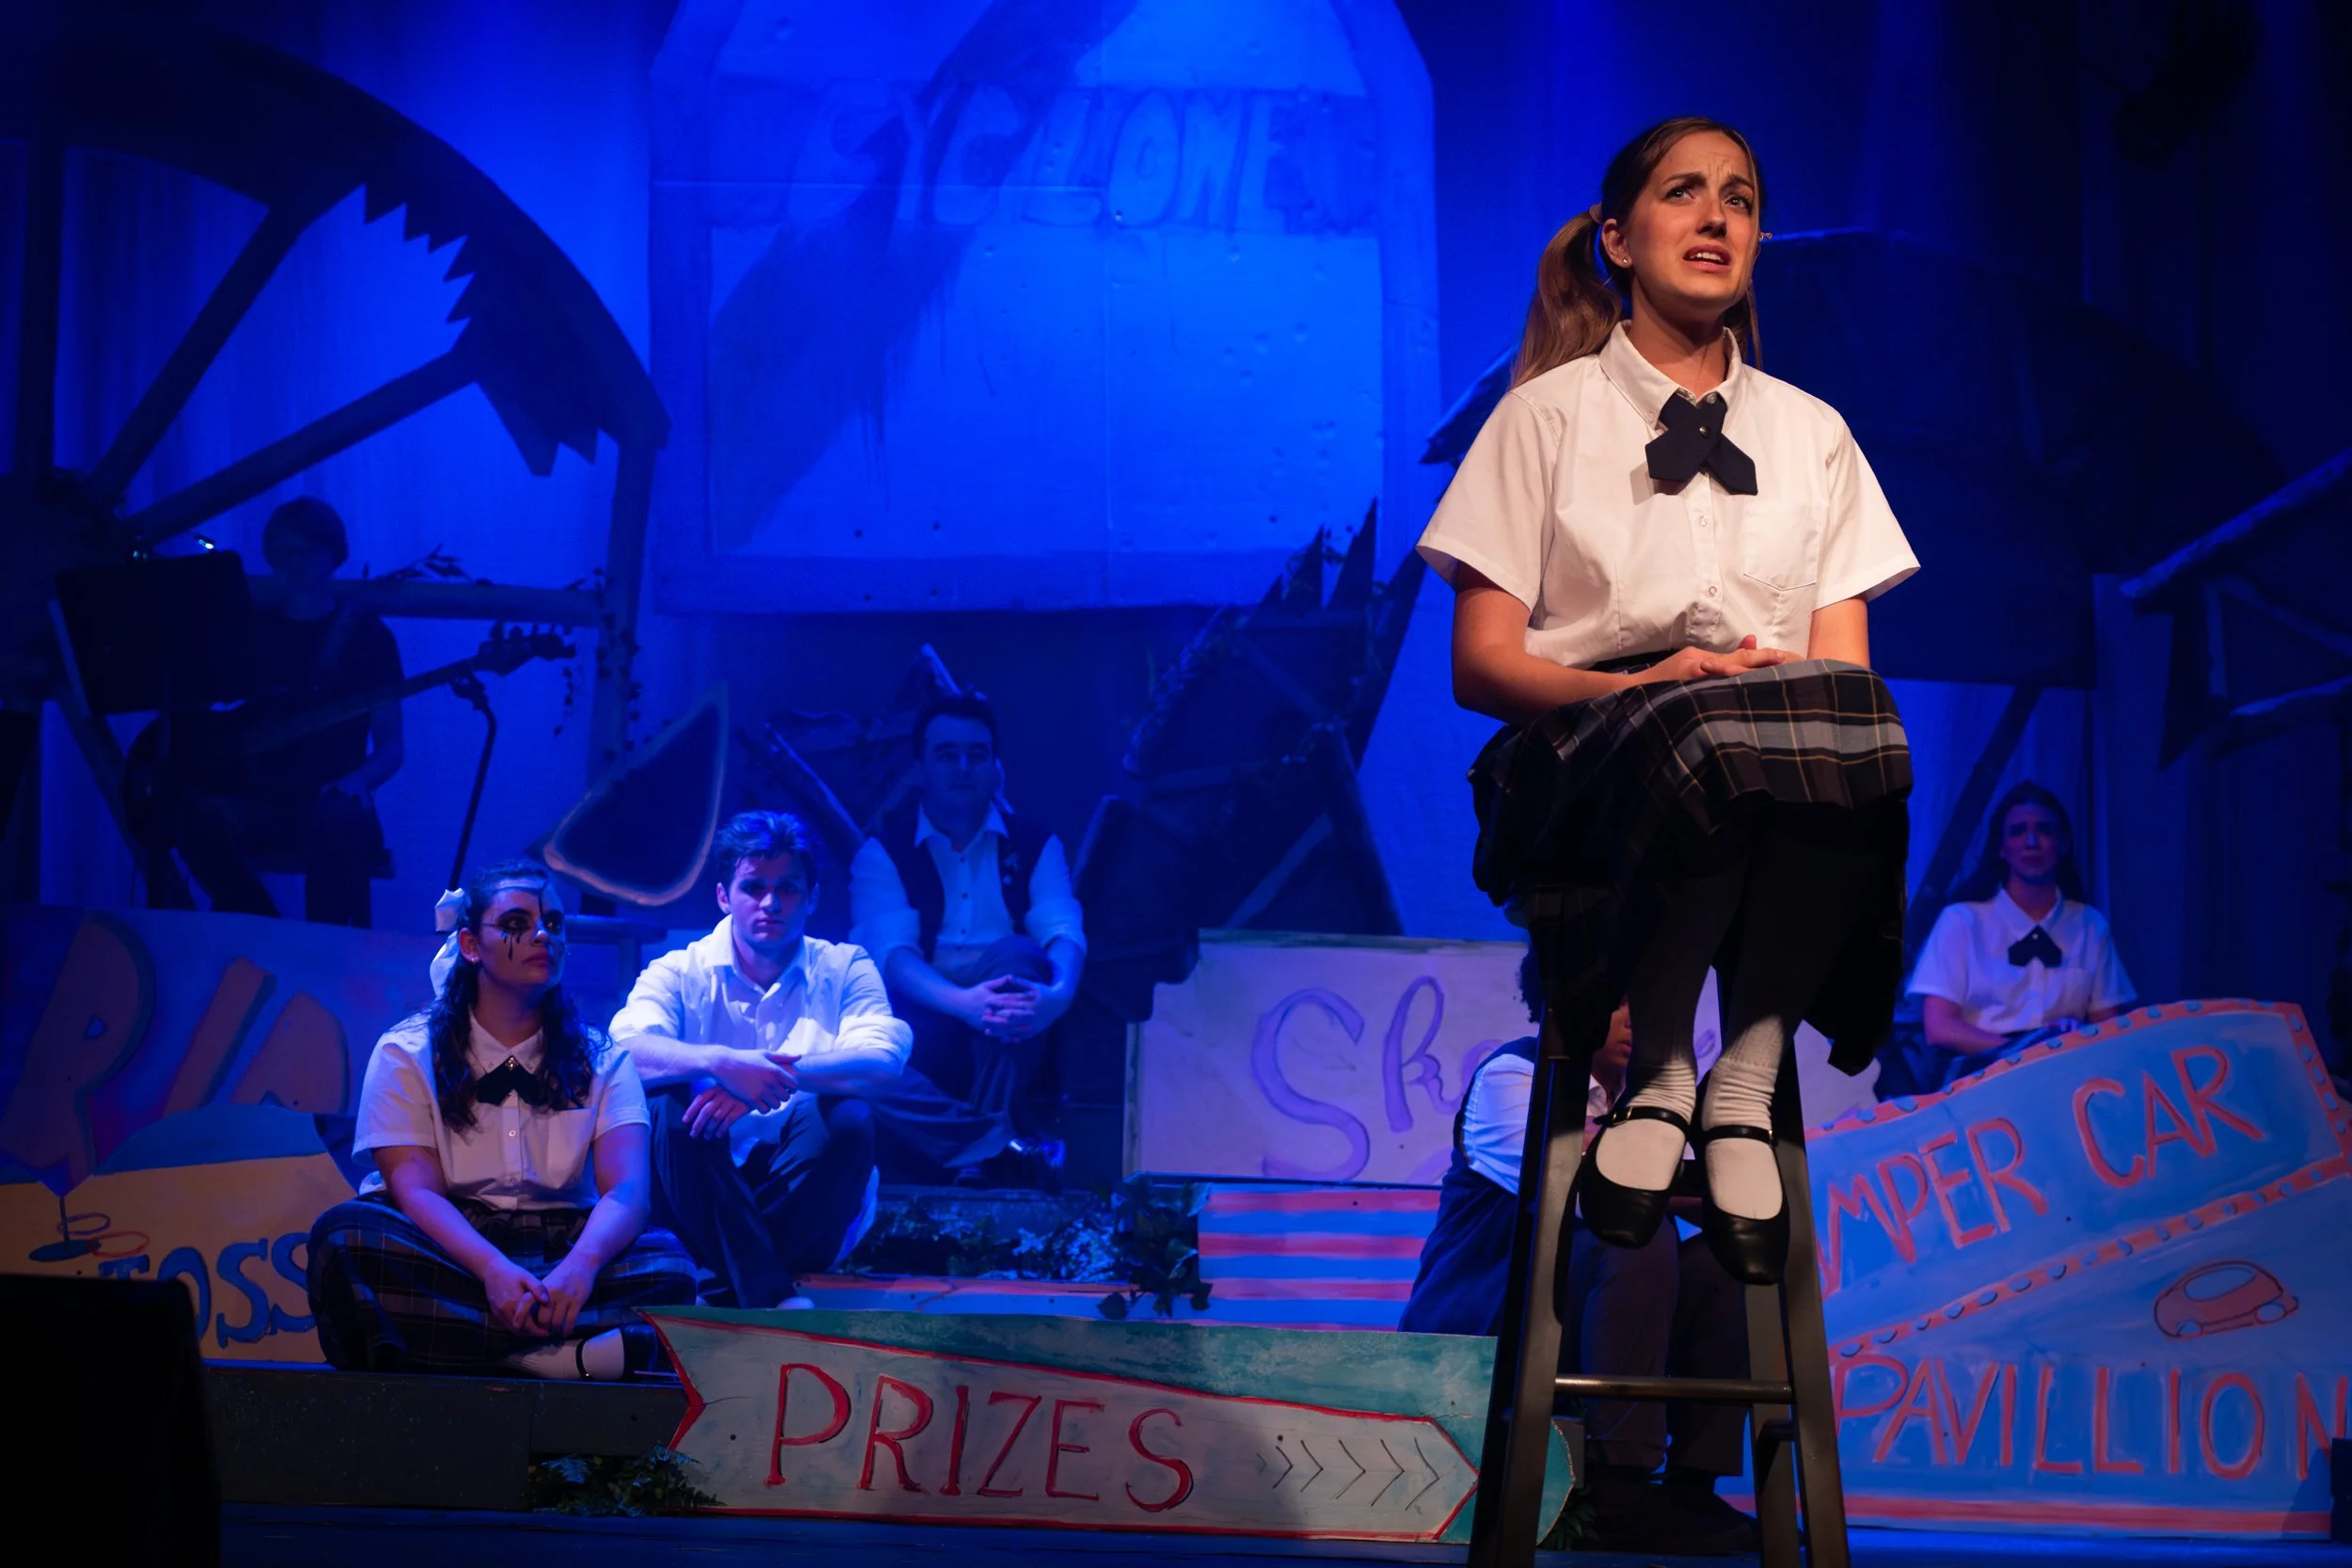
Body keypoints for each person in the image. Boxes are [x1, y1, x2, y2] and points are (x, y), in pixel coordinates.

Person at [1420, 116, 1918, 1285]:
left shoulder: (1813, 433)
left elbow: (1840, 673)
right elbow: (1480, 663)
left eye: (1738, 198)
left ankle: (1738, 1077)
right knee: (1715, 732)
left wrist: (1744, 689)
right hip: (1579, 759)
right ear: (1617, 239)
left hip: (1771, 763)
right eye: (1684, 194)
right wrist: (1642, 678)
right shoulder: (1542, 418)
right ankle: (1655, 1073)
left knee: (1849, 729)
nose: (1715, 216)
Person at [1400, 952, 1755, 1557]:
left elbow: (1730, 1200)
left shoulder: (1652, 1099)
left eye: (1643, 1000)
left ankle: (1692, 1486)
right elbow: (1594, 1196)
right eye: (1617, 1000)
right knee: (1637, 1236)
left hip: (1584, 1319)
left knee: (1726, 1265)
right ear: (1565, 1005)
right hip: (1491, 1327)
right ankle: (1622, 1484)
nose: (1634, 1015)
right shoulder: (1515, 1076)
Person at [306, 861, 694, 1377]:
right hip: (451, 1243)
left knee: (671, 1268)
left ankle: (474, 1352)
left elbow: (626, 1193)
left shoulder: (603, 1057)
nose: (541, 935)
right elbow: (415, 1191)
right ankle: (559, 1357)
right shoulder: (408, 1050)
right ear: (470, 945)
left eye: (553, 924)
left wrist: (579, 1270)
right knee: (346, 1237)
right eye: (516, 924)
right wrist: (490, 1268)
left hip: (565, 1243)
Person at [612, 811, 911, 1308]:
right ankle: (767, 1293)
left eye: (788, 889)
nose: (770, 903)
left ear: (812, 897)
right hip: (693, 1192)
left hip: (803, 1204)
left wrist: (768, 1080)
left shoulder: (845, 966)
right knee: (664, 1107)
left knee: (850, 1117)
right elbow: (623, 1050)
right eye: (753, 888)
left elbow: (883, 1058)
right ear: (724, 897)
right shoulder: (680, 969)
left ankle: (726, 1281)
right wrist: (724, 1063)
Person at [848, 692, 1084, 1187]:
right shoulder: (881, 853)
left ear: (996, 766)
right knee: (850, 1065)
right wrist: (962, 1002)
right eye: (946, 753)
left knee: (1020, 957)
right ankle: (994, 1147)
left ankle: (973, 1156)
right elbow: (892, 957)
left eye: (977, 754)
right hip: (921, 1025)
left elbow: (1061, 929)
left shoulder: (1036, 844)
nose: (963, 767)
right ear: (920, 767)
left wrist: (1057, 995)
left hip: (1008, 1027)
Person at [162, 497, 404, 927]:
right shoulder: (253, 631)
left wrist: (358, 780)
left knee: (338, 818)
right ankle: (262, 928)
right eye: (281, 551)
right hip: (259, 798)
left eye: (305, 549)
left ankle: (319, 950)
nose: (293, 563)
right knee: (192, 815)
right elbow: (199, 709)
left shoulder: (369, 638)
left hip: (333, 800)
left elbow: (390, 746)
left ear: (333, 553)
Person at [1907, 781, 2136, 1085]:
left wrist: (2070, 1042)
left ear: (2063, 844)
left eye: (2044, 830)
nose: (2031, 841)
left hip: (2066, 1076)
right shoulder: (1961, 921)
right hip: (1981, 1079)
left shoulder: (2089, 925)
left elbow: (2109, 1027)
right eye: (2017, 831)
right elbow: (1939, 1026)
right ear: (2001, 848)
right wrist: (2023, 1051)